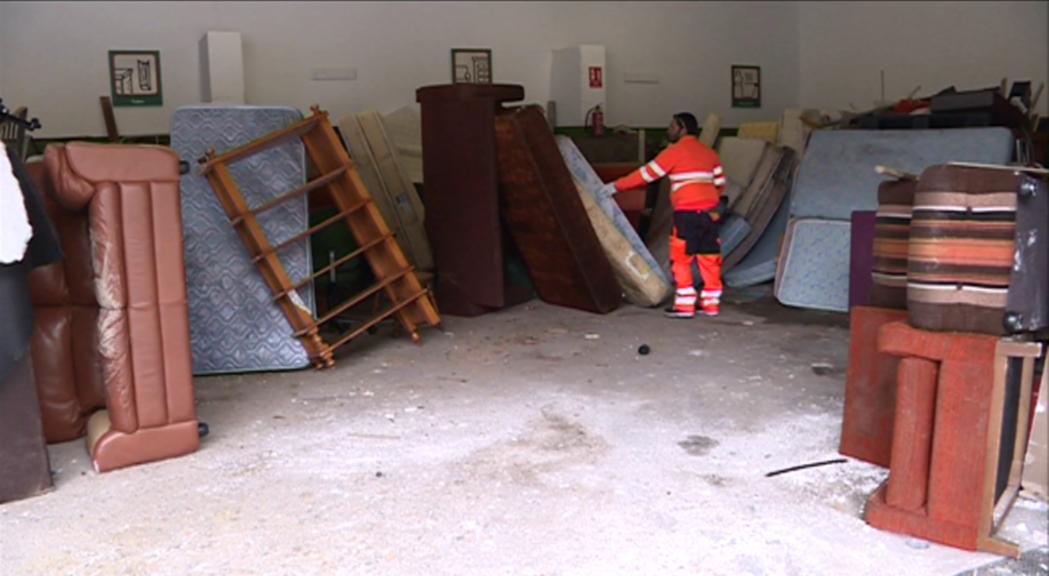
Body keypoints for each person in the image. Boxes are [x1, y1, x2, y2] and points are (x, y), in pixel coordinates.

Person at [608, 112, 725, 318]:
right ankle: (711, 305)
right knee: (709, 257)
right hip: (710, 213)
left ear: (682, 128)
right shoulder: (709, 153)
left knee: (682, 258)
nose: (668, 130)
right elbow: (720, 185)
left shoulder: (674, 152)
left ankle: (685, 306)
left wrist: (616, 187)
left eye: (671, 126)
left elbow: (645, 175)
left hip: (686, 214)